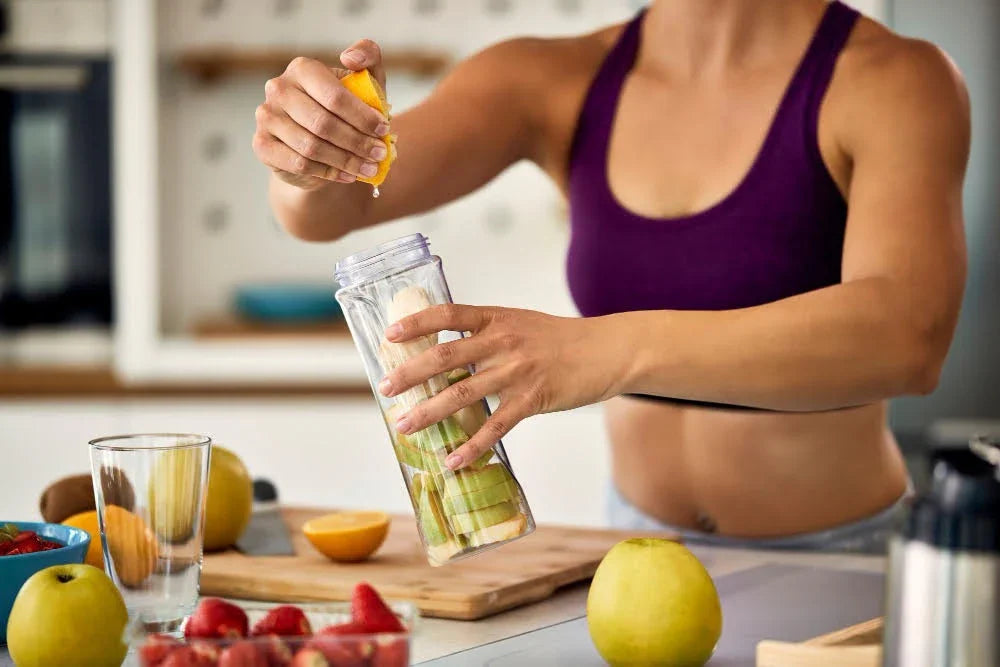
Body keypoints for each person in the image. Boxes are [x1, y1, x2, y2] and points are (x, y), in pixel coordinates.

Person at [252, 0, 970, 552]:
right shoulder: (554, 77)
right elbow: (327, 209)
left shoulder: (895, 79)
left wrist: (605, 349)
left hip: (841, 559)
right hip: (632, 549)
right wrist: (310, 148)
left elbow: (908, 336)